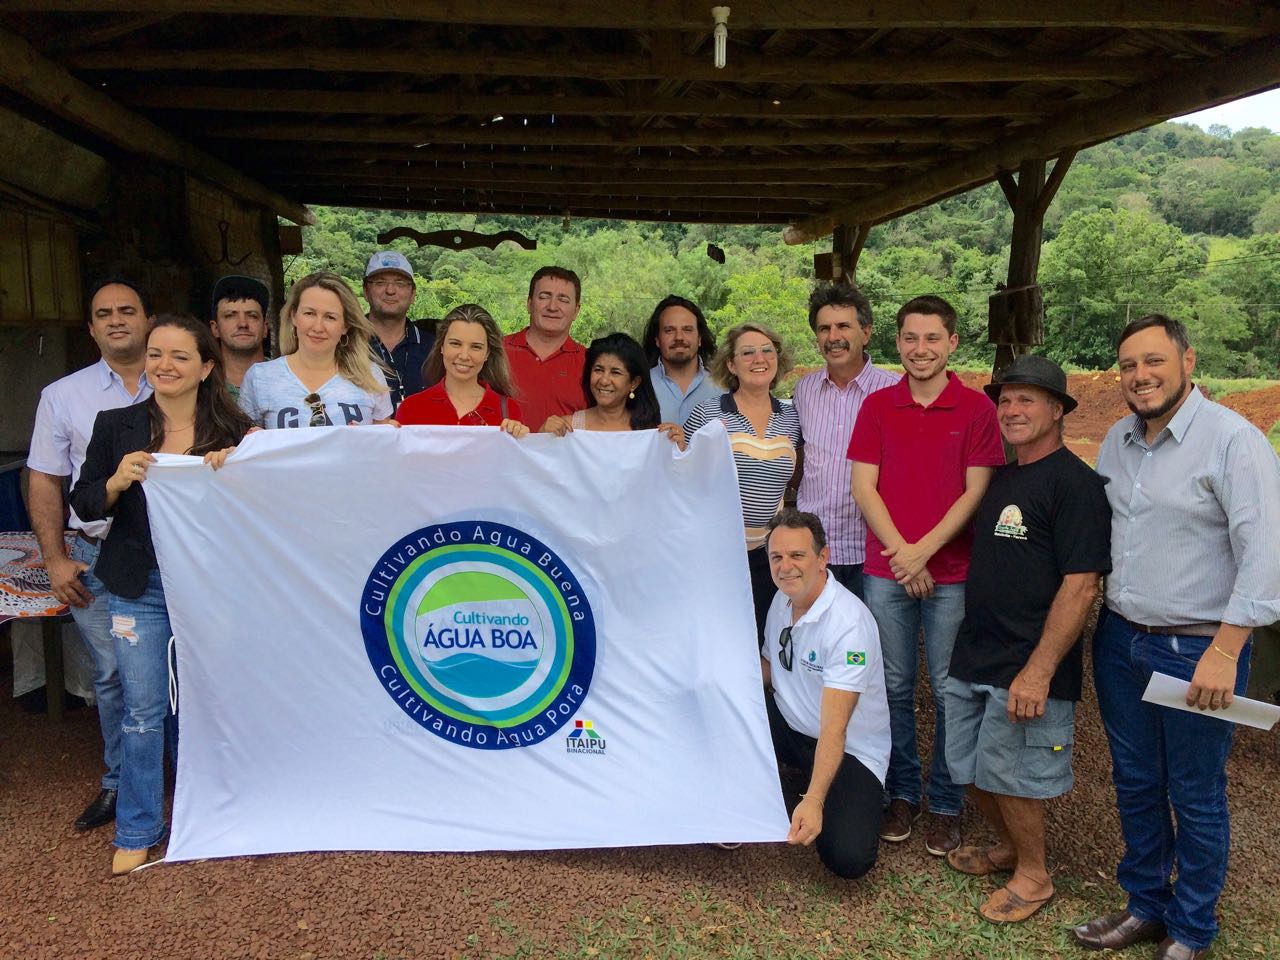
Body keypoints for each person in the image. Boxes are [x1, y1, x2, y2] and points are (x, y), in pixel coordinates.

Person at [1074, 315, 1280, 960]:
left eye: (1155, 361)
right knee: (1134, 779)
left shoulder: (1233, 442)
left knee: (1193, 791)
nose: (1141, 376)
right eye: (1130, 365)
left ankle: (1191, 928)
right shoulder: (1116, 440)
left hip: (1195, 647)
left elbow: (1264, 554)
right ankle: (1144, 906)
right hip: (1120, 638)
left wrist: (1225, 651)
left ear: (1188, 361)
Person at [69, 314, 254, 875]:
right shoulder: (116, 424)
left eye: (178, 356)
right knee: (143, 708)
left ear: (205, 367)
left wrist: (238, 472)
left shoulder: (237, 432)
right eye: (155, 354)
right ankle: (138, 828)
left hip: (210, 588)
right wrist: (117, 480)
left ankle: (224, 814)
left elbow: (260, 510)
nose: (163, 366)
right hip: (137, 587)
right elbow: (83, 504)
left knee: (213, 702)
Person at [944, 356, 1110, 923]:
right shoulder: (1004, 477)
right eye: (1006, 399)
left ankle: (1034, 876)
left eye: (1027, 400)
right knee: (966, 767)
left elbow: (1082, 584)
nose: (1012, 410)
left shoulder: (1077, 485)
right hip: (977, 652)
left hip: (1027, 662)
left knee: (1012, 775)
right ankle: (1010, 849)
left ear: (1057, 410)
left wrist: (1039, 671)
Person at [849, 294, 1004, 856]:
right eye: (911, 339)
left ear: (952, 343)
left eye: (932, 338)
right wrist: (903, 554)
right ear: (898, 342)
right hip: (887, 569)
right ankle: (901, 792)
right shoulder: (878, 407)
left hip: (954, 572)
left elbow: (977, 490)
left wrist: (925, 553)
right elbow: (863, 486)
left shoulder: (976, 411)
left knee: (948, 689)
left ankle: (946, 802)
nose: (921, 349)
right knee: (891, 686)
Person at [26, 277, 154, 833]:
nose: (117, 319)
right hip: (98, 552)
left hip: (175, 554)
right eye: (105, 313)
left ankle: (187, 776)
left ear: (147, 319)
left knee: (183, 670)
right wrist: (54, 557)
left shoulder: (182, 377)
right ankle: (119, 783)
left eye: (128, 310)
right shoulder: (63, 395)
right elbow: (46, 479)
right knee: (112, 676)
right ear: (92, 328)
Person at [760, 510, 889, 879]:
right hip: (793, 726)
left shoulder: (849, 625)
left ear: (823, 557)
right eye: (777, 557)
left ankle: (834, 791)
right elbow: (769, 669)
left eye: (797, 556)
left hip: (847, 746)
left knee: (848, 858)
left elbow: (835, 728)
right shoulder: (781, 600)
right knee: (724, 704)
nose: (786, 567)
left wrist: (815, 800)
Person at [685, 323, 801, 645]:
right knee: (719, 640)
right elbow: (681, 478)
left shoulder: (792, 417)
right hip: (716, 554)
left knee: (765, 639)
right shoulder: (707, 413)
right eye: (747, 353)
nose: (758, 358)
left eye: (766, 350)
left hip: (769, 555)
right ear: (732, 365)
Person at [792, 282, 899, 600]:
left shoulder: (893, 392)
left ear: (866, 333)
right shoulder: (804, 390)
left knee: (868, 646)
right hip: (814, 549)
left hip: (874, 551)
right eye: (824, 328)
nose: (833, 336)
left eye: (843, 326)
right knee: (813, 643)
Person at [239, 271, 393, 429]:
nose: (318, 327)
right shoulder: (259, 377)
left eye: (330, 317)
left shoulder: (371, 376)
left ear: (345, 326)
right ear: (293, 316)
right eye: (309, 313)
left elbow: (383, 447)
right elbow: (245, 446)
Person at [395, 304, 528, 437]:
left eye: (476, 347)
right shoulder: (411, 408)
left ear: (487, 353)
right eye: (455, 344)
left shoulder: (509, 410)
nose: (464, 356)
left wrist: (521, 439)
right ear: (441, 346)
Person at [541, 332, 686, 449]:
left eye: (615, 372)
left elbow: (669, 479)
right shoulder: (566, 428)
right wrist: (542, 437)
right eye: (598, 370)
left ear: (634, 383)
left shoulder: (650, 433)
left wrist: (679, 452)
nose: (604, 380)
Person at [503, 266, 587, 432]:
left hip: (565, 457)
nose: (552, 306)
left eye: (563, 300)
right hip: (504, 456)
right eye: (544, 297)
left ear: (576, 311)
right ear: (529, 304)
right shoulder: (497, 351)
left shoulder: (590, 362)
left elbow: (608, 417)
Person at [362, 250, 434, 413]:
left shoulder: (435, 348)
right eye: (380, 283)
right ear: (366, 291)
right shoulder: (345, 343)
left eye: (400, 283)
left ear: (413, 294)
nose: (390, 290)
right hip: (365, 438)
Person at [642, 295, 724, 425]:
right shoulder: (640, 387)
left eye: (687, 329)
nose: (679, 337)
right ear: (657, 339)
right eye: (669, 330)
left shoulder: (724, 387)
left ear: (700, 338)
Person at [209, 274, 269, 400]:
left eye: (252, 315)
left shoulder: (289, 378)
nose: (243, 324)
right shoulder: (199, 383)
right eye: (230, 315)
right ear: (215, 329)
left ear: (265, 328)